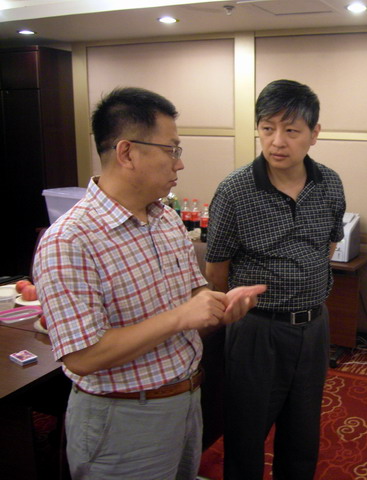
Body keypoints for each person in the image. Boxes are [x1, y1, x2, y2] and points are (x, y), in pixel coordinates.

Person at [32, 87, 266, 480]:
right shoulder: (69, 240)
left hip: (187, 399)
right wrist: (181, 317)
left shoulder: (165, 218)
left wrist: (219, 306)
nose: (180, 163)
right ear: (127, 153)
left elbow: (193, 296)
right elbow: (82, 357)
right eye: (171, 149)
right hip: (122, 418)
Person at [205, 79, 346, 480]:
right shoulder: (235, 190)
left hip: (314, 326)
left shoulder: (330, 183)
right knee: (245, 433)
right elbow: (216, 269)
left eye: (291, 130)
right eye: (267, 128)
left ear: (314, 134)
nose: (277, 141)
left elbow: (328, 245)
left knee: (303, 432)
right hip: (257, 329)